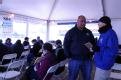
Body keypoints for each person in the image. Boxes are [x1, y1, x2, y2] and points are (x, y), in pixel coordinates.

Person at [64, 15, 96, 80]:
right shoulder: (71, 32)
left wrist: (92, 52)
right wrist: (68, 56)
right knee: (72, 77)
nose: (83, 23)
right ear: (77, 21)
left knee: (87, 77)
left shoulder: (88, 32)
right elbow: (65, 44)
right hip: (74, 60)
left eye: (85, 21)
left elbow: (93, 43)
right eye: (82, 21)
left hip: (87, 59)